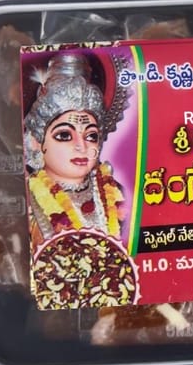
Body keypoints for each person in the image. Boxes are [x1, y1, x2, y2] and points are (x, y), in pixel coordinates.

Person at [23, 53, 125, 248]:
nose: (81, 146)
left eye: (91, 136)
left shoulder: (119, 195)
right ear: (37, 141)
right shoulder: (25, 199)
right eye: (64, 135)